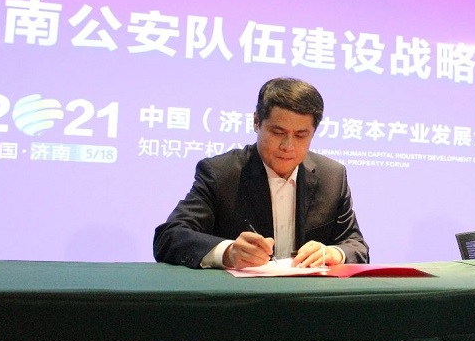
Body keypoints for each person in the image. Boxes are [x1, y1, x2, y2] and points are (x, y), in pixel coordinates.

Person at [154, 77, 369, 269]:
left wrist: (334, 253)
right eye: (278, 132)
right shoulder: (221, 173)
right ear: (257, 122)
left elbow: (356, 245)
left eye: (300, 135)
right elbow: (169, 236)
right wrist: (227, 252)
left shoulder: (332, 176)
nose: (287, 146)